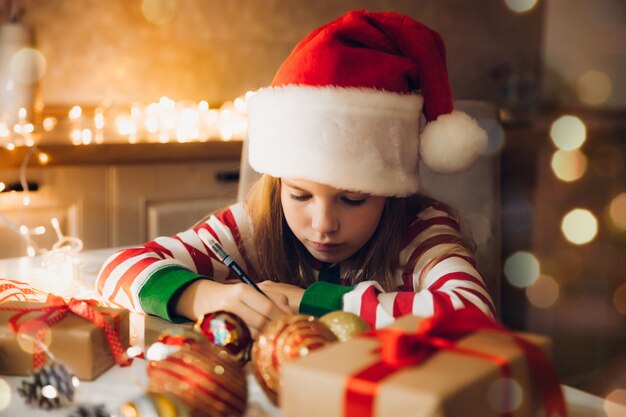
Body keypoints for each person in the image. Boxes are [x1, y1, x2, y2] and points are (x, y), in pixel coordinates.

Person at [96, 10, 495, 336]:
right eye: (300, 195)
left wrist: (306, 301)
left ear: (390, 192)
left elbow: (474, 315)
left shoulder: (421, 231)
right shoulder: (257, 222)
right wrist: (203, 297)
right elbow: (116, 271)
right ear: (279, 184)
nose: (322, 225)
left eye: (352, 199)